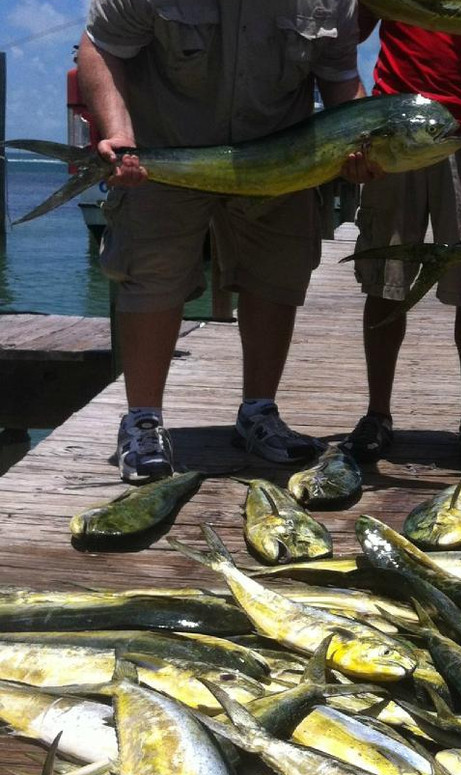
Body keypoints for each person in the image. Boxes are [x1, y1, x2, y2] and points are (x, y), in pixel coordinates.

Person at [79, 0, 376, 484]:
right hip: (163, 152)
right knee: (153, 275)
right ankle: (143, 421)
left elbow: (340, 74)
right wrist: (119, 133)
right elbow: (101, 45)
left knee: (274, 276)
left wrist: (361, 138)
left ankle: (258, 412)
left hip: (279, 158)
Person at [345, 10, 461, 469]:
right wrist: (353, 114)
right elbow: (349, 33)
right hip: (393, 127)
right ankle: (378, 413)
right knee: (386, 277)